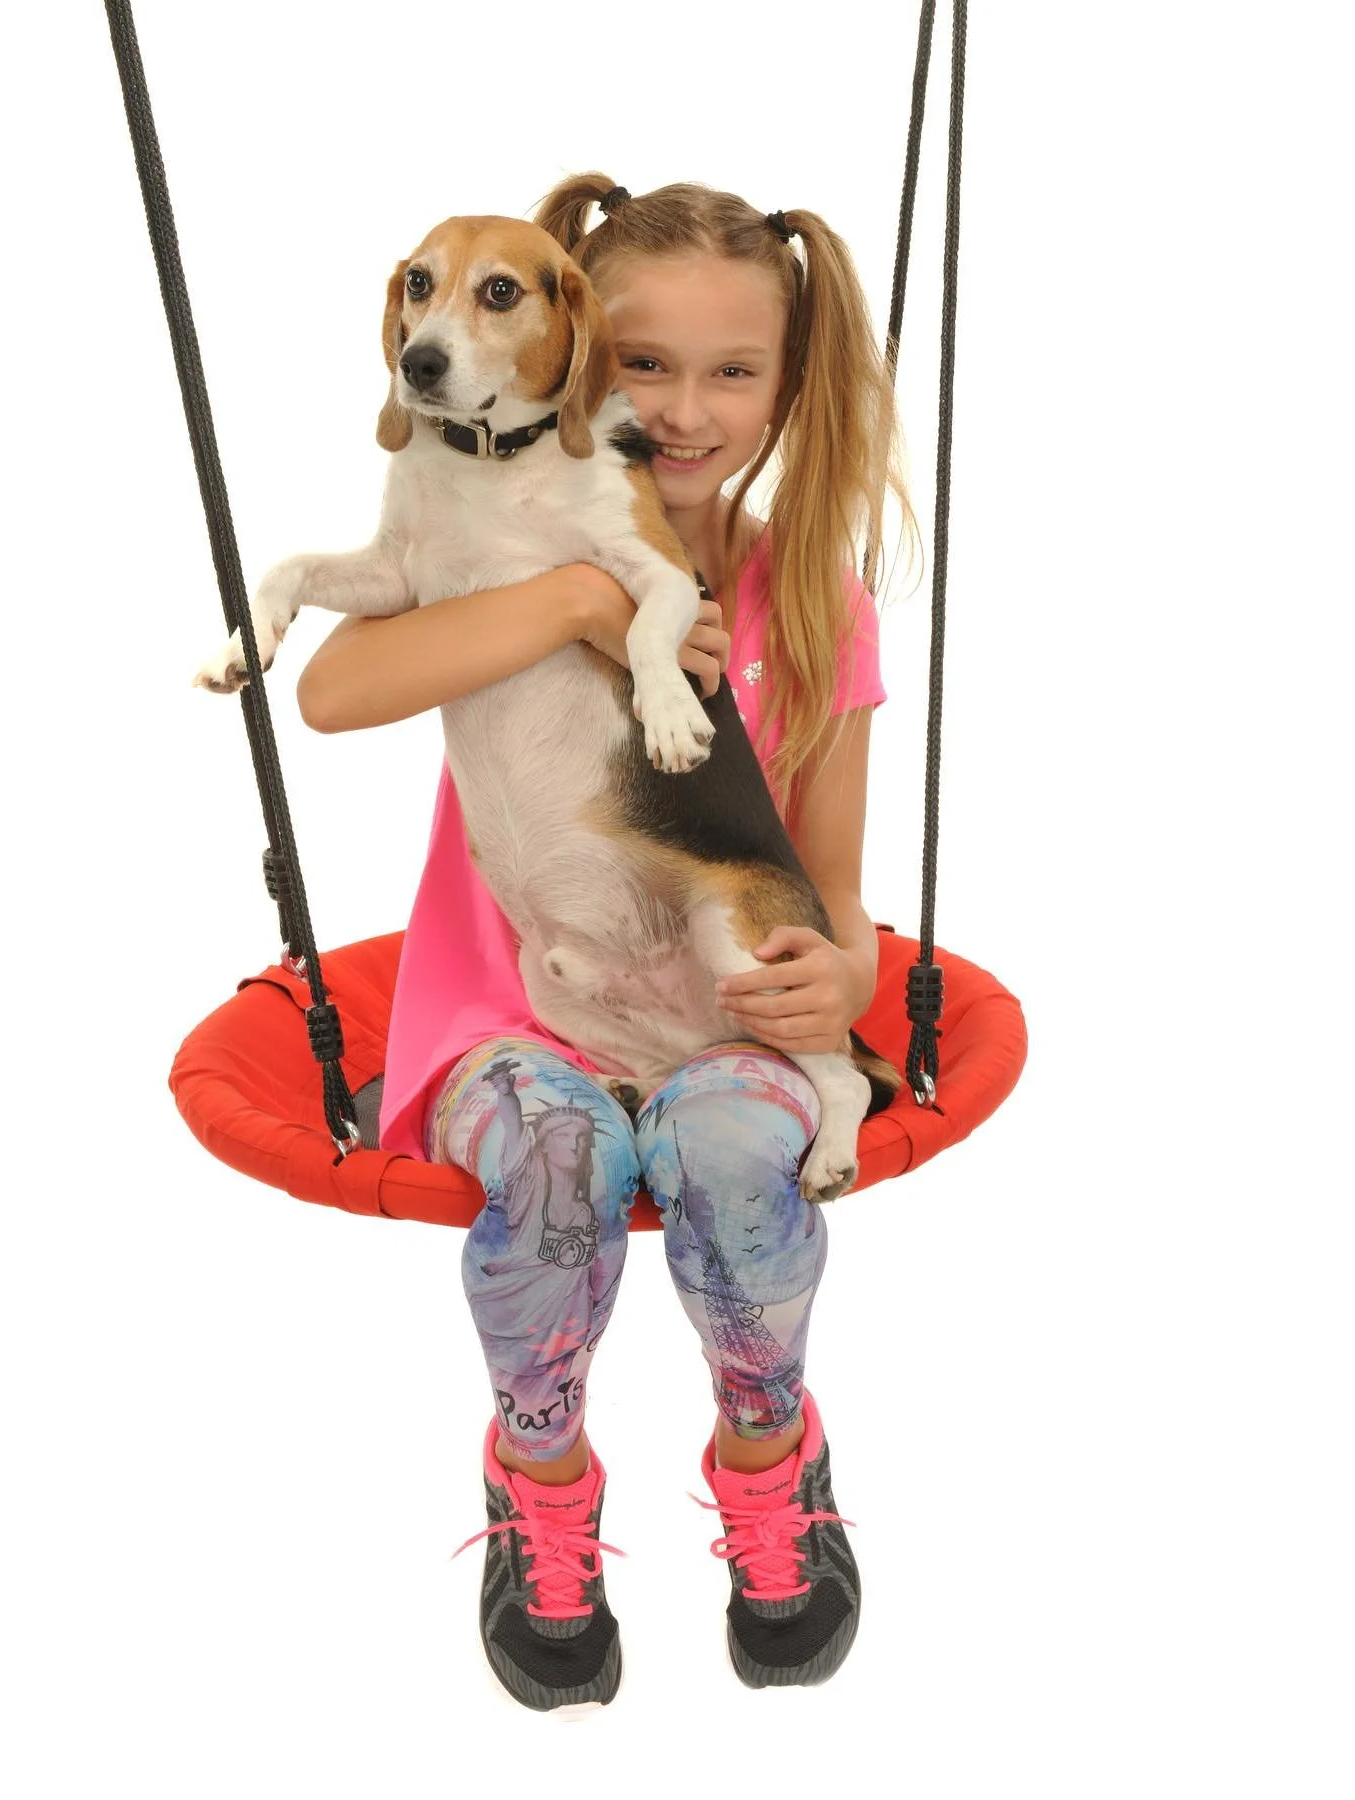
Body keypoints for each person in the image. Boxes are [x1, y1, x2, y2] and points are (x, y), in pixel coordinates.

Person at [295, 174, 915, 1711]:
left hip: (717, 1014)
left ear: (787, 384)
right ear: (570, 355)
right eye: (647, 364)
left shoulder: (813, 605)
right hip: (506, 1017)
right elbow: (330, 693)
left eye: (733, 371)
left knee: (726, 1155)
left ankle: (770, 1455)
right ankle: (542, 1477)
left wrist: (840, 981)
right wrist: (584, 598)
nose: (685, 411)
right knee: (561, 1168)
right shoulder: (486, 541)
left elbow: (833, 896)